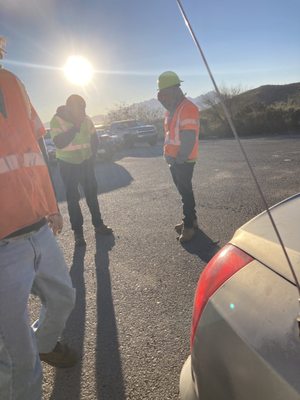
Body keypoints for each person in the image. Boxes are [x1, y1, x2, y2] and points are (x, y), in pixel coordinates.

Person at [0, 37, 76, 400]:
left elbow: (36, 148)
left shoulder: (12, 82)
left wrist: (52, 205)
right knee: (16, 361)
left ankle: (43, 343)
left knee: (64, 297)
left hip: (37, 228)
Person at [50, 95, 112, 246]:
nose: (83, 112)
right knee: (73, 198)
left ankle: (98, 225)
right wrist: (75, 128)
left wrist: (92, 157)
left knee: (91, 194)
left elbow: (94, 138)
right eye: (80, 109)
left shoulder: (86, 119)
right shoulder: (57, 120)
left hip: (85, 163)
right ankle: (78, 234)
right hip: (67, 164)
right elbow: (59, 143)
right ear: (69, 109)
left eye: (84, 108)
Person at [157, 71, 200, 243]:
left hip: (184, 160)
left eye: (164, 94)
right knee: (184, 192)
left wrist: (179, 159)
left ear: (173, 90)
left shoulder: (187, 108)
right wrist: (168, 155)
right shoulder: (171, 110)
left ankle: (189, 226)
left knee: (186, 193)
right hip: (174, 160)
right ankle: (192, 221)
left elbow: (189, 137)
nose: (161, 97)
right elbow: (170, 135)